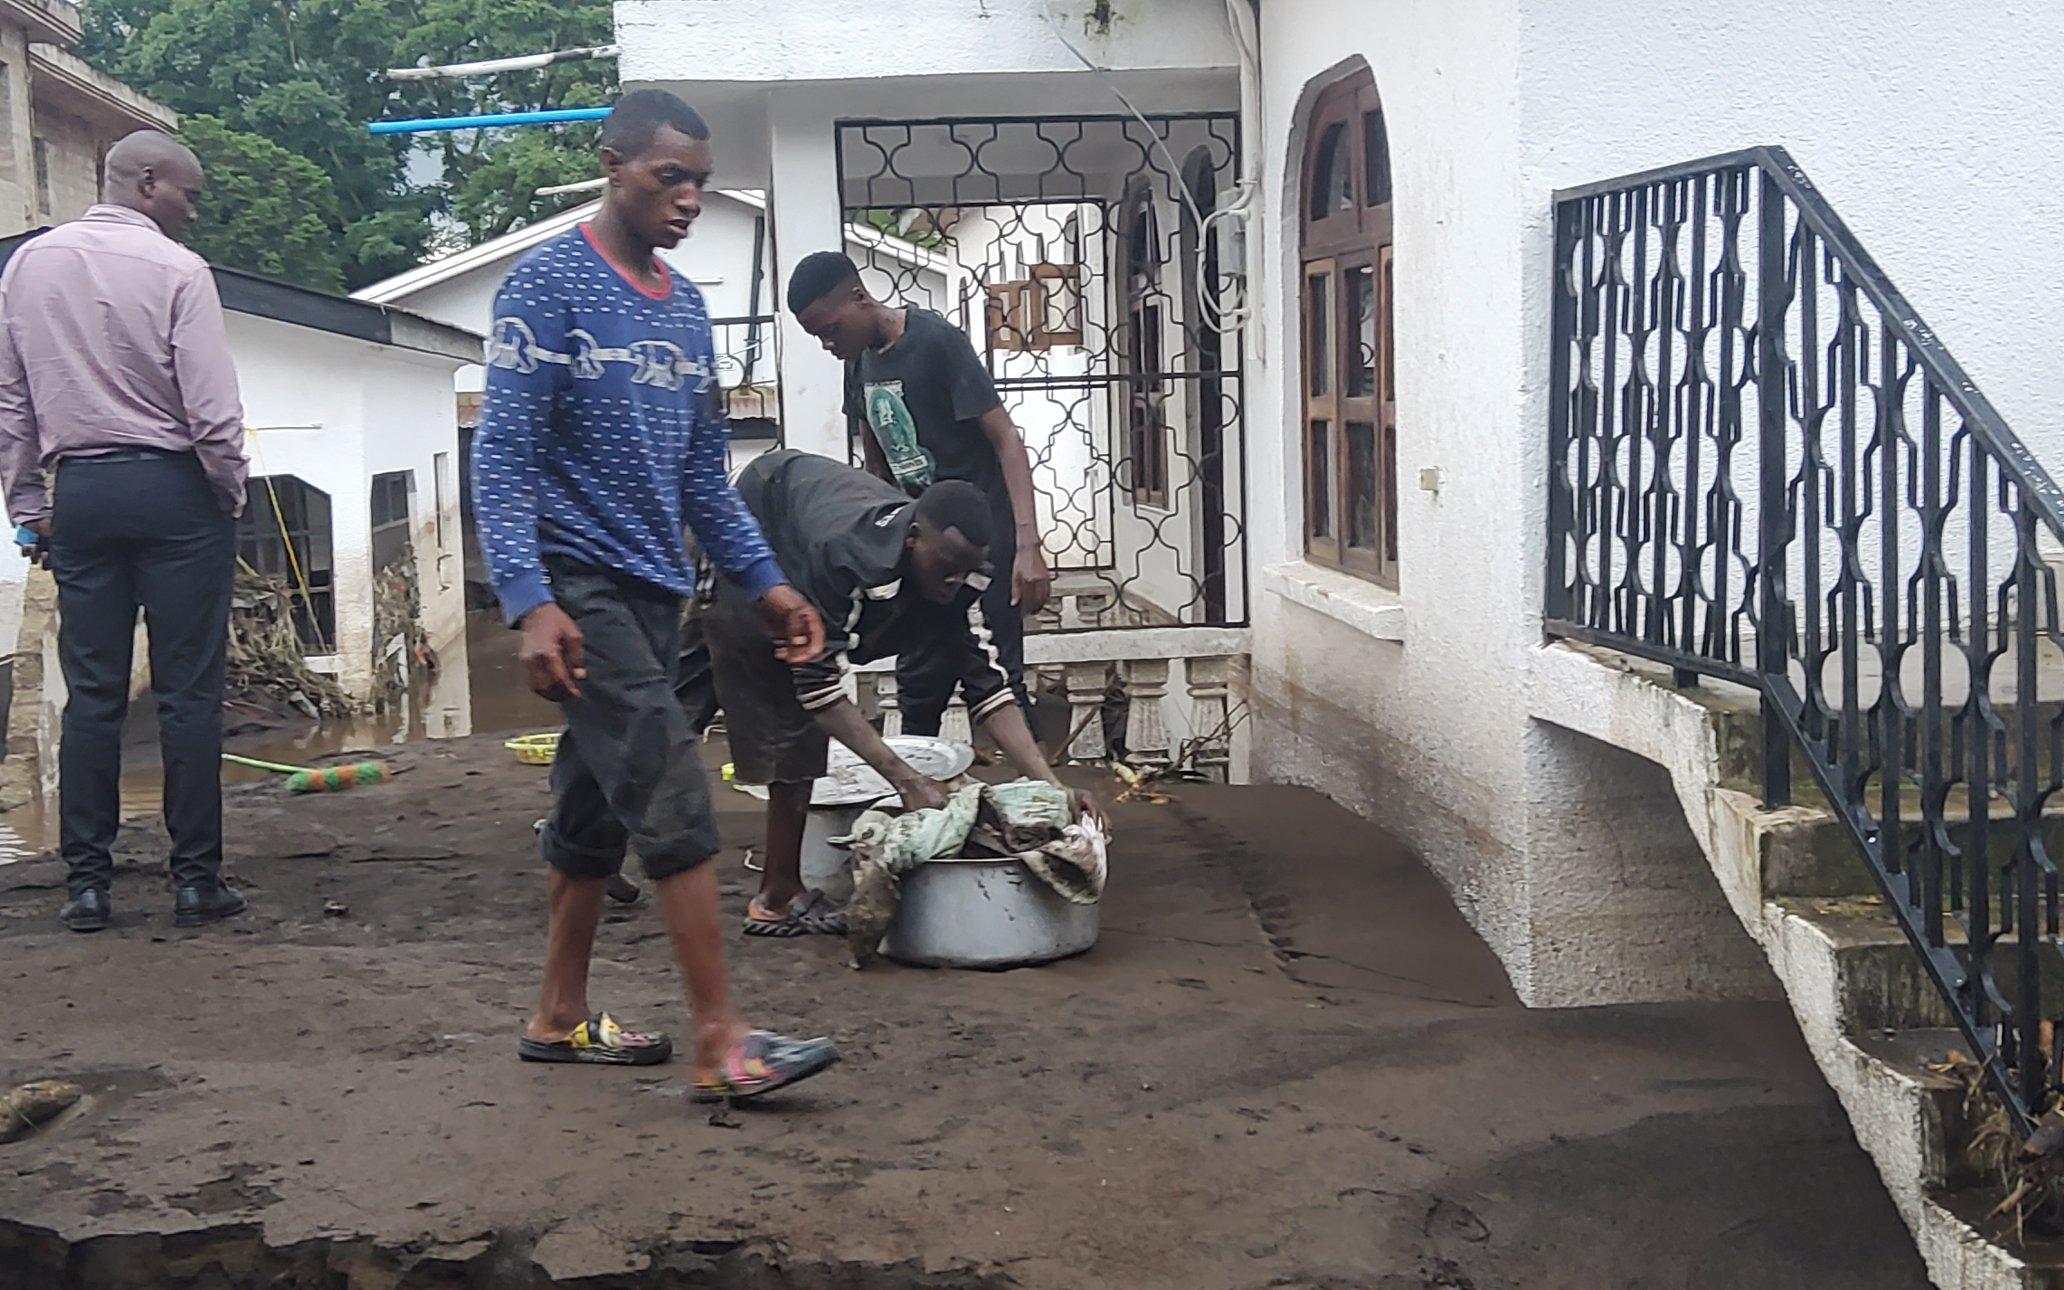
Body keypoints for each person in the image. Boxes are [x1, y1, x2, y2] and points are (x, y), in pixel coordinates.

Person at [472, 90, 836, 1100]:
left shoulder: (681, 307)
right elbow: (501, 454)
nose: (685, 200)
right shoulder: (544, 286)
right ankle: (724, 1041)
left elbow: (697, 477)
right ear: (612, 164)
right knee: (674, 790)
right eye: (665, 177)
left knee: (592, 810)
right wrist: (529, 598)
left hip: (652, 586)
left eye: (699, 185)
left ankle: (557, 1015)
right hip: (578, 584)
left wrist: (766, 583)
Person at [677, 448, 1101, 937]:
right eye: (945, 567)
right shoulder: (848, 558)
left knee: (671, 705)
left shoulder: (961, 577)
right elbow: (816, 688)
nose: (954, 582)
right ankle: (778, 896)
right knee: (784, 717)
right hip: (756, 525)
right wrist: (907, 780)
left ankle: (588, 844)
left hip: (796, 515)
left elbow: (990, 690)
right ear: (913, 538)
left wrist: (1053, 787)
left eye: (966, 571)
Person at [0, 131, 249, 934]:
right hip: (175, 490)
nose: (195, 210)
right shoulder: (180, 272)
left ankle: (87, 887)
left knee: (95, 692)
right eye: (191, 194)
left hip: (84, 496)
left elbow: (13, 401)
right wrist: (227, 492)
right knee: (188, 691)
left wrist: (27, 504)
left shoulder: (28, 266)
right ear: (148, 183)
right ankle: (194, 882)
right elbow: (212, 412)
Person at [786, 252, 1052, 738]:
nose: (827, 343)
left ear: (860, 298)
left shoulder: (935, 341)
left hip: (977, 542)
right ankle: (918, 798)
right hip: (918, 548)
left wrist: (1028, 545)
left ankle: (1032, 801)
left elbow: (1006, 439)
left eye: (830, 329)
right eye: (816, 336)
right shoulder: (858, 360)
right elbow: (875, 466)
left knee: (995, 676)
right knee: (917, 683)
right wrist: (884, 544)